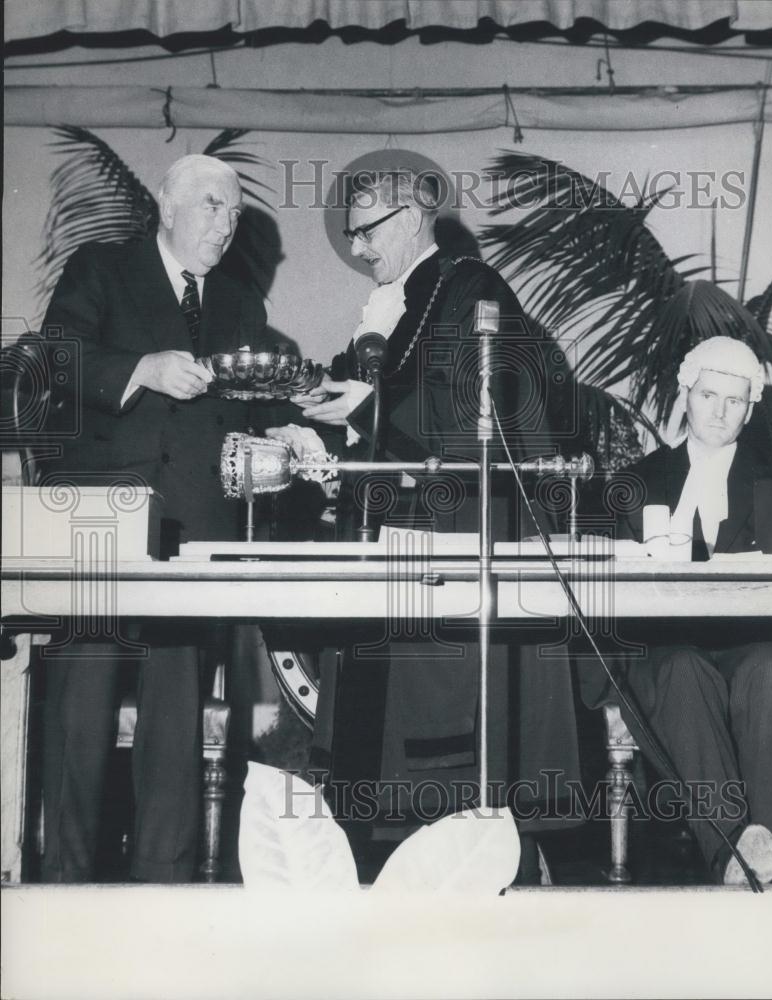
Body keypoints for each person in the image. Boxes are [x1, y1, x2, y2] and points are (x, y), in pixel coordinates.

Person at [267, 169, 581, 865]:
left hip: (457, 543)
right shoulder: (395, 307)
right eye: (350, 232)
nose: (357, 247)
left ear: (411, 219)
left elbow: (483, 425)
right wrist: (323, 438)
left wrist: (362, 410)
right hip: (398, 545)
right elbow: (382, 428)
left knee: (444, 774)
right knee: (377, 753)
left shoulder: (471, 291)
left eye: (366, 230)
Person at [39, 154, 267, 882]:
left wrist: (289, 430)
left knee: (175, 716)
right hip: (100, 523)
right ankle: (64, 881)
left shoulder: (240, 303)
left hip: (192, 533)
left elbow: (245, 410)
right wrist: (141, 368)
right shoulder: (102, 268)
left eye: (233, 212)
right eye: (209, 205)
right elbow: (55, 360)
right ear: (166, 206)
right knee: (81, 710)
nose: (224, 225)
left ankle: (162, 887)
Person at [579, 336, 772, 884]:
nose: (719, 412)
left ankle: (757, 847)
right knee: (681, 669)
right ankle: (732, 850)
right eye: (708, 396)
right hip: (664, 651)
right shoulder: (633, 483)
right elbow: (602, 590)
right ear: (685, 395)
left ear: (750, 409)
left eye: (734, 401)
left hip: (755, 645)